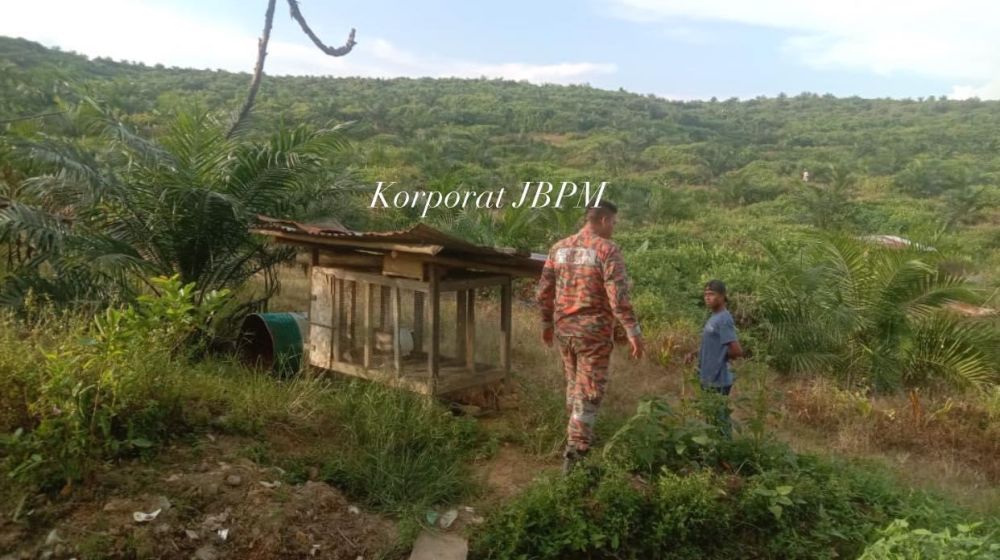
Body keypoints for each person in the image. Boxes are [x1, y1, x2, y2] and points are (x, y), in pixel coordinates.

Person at [536, 200, 644, 473]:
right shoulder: (607, 250)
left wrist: (546, 323)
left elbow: (543, 291)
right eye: (614, 223)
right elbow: (618, 297)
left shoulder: (558, 248)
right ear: (605, 220)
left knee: (574, 384)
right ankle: (576, 454)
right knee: (590, 391)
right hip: (592, 333)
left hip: (564, 330)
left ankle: (575, 431)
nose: (614, 229)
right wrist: (633, 331)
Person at [686, 279, 743, 436]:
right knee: (711, 420)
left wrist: (719, 357)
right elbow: (714, 344)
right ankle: (714, 454)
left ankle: (725, 454)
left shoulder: (724, 319)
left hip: (719, 379)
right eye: (705, 294)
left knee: (719, 421)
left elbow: (737, 351)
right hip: (708, 377)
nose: (707, 297)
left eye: (711, 294)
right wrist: (695, 353)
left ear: (723, 296)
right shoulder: (714, 317)